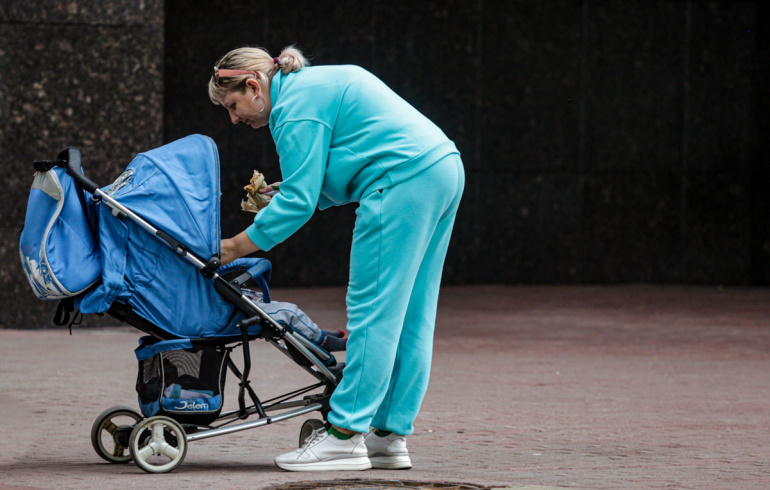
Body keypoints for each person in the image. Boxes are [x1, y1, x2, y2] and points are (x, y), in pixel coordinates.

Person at [208, 45, 464, 472]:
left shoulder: (292, 109)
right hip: (440, 167)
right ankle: (388, 436)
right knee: (412, 316)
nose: (234, 119)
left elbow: (300, 202)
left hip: (399, 182)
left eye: (232, 106)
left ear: (254, 86)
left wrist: (234, 246)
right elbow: (345, 157)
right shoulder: (311, 85)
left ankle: (344, 437)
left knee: (373, 312)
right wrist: (288, 190)